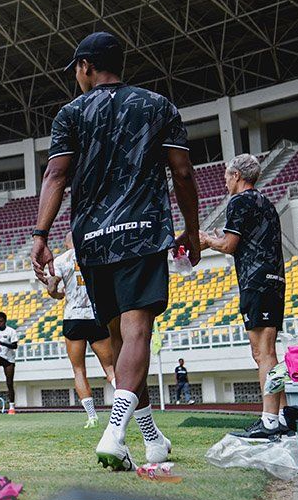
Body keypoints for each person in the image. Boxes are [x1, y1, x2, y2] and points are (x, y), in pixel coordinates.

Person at [32, 31, 197, 471]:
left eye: (76, 71)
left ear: (85, 66)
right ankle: (115, 431)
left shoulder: (70, 113)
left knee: (122, 342)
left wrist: (40, 235)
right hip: (143, 232)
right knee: (136, 334)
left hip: (92, 241)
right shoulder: (158, 105)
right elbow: (182, 172)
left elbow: (55, 176)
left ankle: (151, 438)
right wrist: (192, 230)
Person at [201, 153, 288, 438]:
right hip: (274, 279)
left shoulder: (239, 201)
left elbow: (229, 246)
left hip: (256, 280)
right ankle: (282, 415)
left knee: (263, 353)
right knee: (267, 352)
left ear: (237, 175)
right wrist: (220, 238)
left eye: (226, 176)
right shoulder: (266, 202)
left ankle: (269, 422)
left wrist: (207, 241)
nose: (224, 181)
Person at [46, 232, 117, 428]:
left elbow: (52, 287)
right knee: (110, 368)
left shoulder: (62, 260)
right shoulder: (95, 254)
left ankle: (92, 416)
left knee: (79, 370)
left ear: (67, 242)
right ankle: (125, 406)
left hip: (73, 318)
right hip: (95, 315)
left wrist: (58, 294)